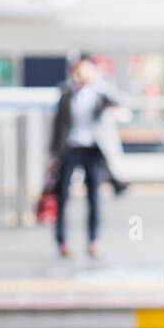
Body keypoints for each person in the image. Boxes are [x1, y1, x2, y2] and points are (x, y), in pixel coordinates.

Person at [48, 53, 129, 259]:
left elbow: (120, 102)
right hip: (70, 149)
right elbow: (58, 126)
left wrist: (99, 83)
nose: (81, 74)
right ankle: (62, 241)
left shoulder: (100, 92)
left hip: (93, 149)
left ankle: (94, 240)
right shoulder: (66, 93)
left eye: (85, 69)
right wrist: (53, 156)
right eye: (78, 70)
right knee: (63, 196)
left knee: (94, 197)